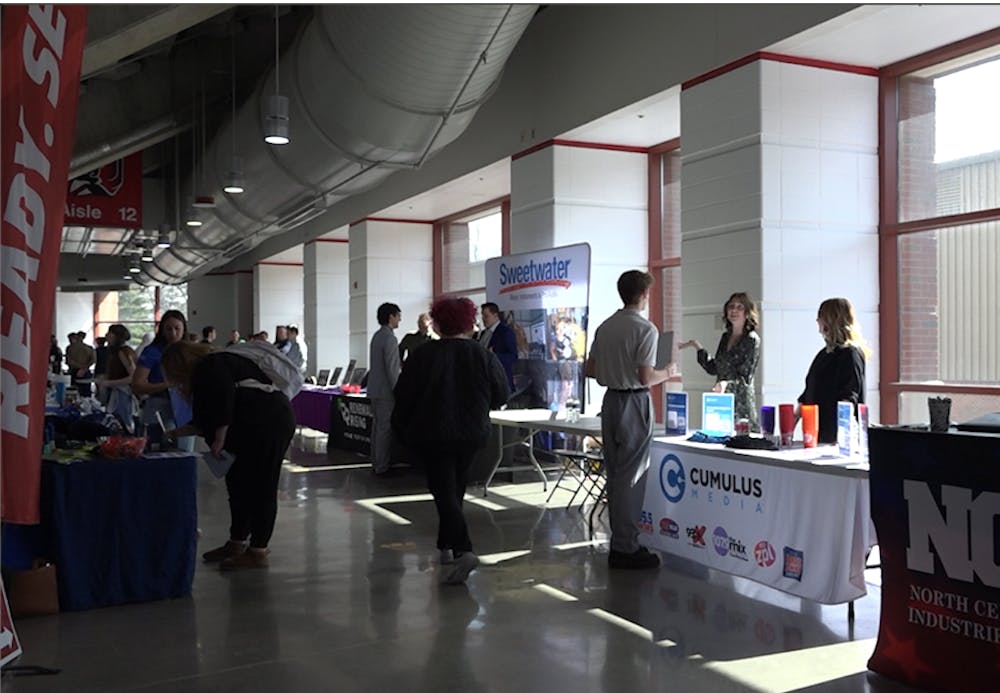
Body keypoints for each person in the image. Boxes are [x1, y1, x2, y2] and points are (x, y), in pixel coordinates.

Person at [393, 296, 509, 584]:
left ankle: (463, 548)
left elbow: (403, 395)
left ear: (439, 322)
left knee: (442, 488)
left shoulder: (423, 355)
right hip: (471, 433)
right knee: (454, 486)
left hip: (433, 432)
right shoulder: (483, 355)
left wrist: (402, 429)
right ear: (469, 323)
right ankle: (446, 545)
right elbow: (502, 394)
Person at [160, 341, 296, 571]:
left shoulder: (211, 364)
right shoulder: (210, 370)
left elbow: (224, 399)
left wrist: (220, 437)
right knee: (238, 484)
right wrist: (176, 432)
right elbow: (205, 419)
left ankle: (258, 550)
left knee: (262, 485)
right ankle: (237, 541)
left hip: (269, 423)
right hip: (252, 425)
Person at [586, 270, 674, 570]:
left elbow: (590, 370)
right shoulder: (646, 330)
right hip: (634, 401)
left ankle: (619, 541)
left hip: (609, 401)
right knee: (631, 476)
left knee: (614, 473)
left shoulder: (605, 327)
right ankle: (626, 545)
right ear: (644, 295)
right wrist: (669, 372)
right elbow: (645, 376)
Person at [680, 292, 762, 430]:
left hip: (740, 405)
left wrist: (725, 384)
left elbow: (745, 377)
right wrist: (697, 347)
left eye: (739, 307)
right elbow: (714, 368)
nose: (734, 310)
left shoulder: (752, 339)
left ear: (747, 313)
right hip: (721, 402)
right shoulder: (725, 337)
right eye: (731, 307)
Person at [797, 297, 871, 444]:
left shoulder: (851, 354)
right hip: (817, 433)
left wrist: (841, 436)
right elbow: (808, 393)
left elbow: (849, 396)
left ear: (830, 320)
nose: (817, 321)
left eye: (820, 316)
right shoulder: (824, 354)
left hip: (836, 436)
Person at [132, 310, 188, 434]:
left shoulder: (189, 351)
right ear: (162, 330)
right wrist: (167, 385)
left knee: (185, 450)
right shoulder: (152, 351)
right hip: (158, 404)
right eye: (168, 329)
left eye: (177, 328)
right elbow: (137, 384)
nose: (173, 333)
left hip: (184, 407)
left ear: (184, 329)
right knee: (158, 447)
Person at [368, 302, 402, 476]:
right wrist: (398, 390)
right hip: (385, 392)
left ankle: (376, 461)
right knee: (384, 429)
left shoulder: (376, 336)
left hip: (375, 390)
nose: (400, 319)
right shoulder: (390, 338)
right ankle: (382, 465)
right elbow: (392, 368)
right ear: (391, 316)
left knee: (377, 428)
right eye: (398, 316)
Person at [100, 324, 138, 432]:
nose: (106, 335)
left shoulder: (123, 352)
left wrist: (109, 383)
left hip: (123, 393)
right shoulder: (120, 351)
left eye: (110, 333)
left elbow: (133, 377)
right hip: (119, 392)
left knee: (122, 424)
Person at [479, 302, 517, 389]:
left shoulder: (506, 332)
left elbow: (513, 356)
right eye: (482, 316)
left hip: (500, 382)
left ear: (495, 315)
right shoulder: (483, 333)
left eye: (486, 316)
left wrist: (494, 356)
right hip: (484, 382)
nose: (483, 319)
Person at [65, 331, 96, 396]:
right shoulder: (89, 348)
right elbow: (93, 360)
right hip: (86, 371)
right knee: (86, 392)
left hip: (74, 371)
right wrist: (84, 368)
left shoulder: (70, 348)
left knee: (75, 392)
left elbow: (69, 361)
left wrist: (79, 367)